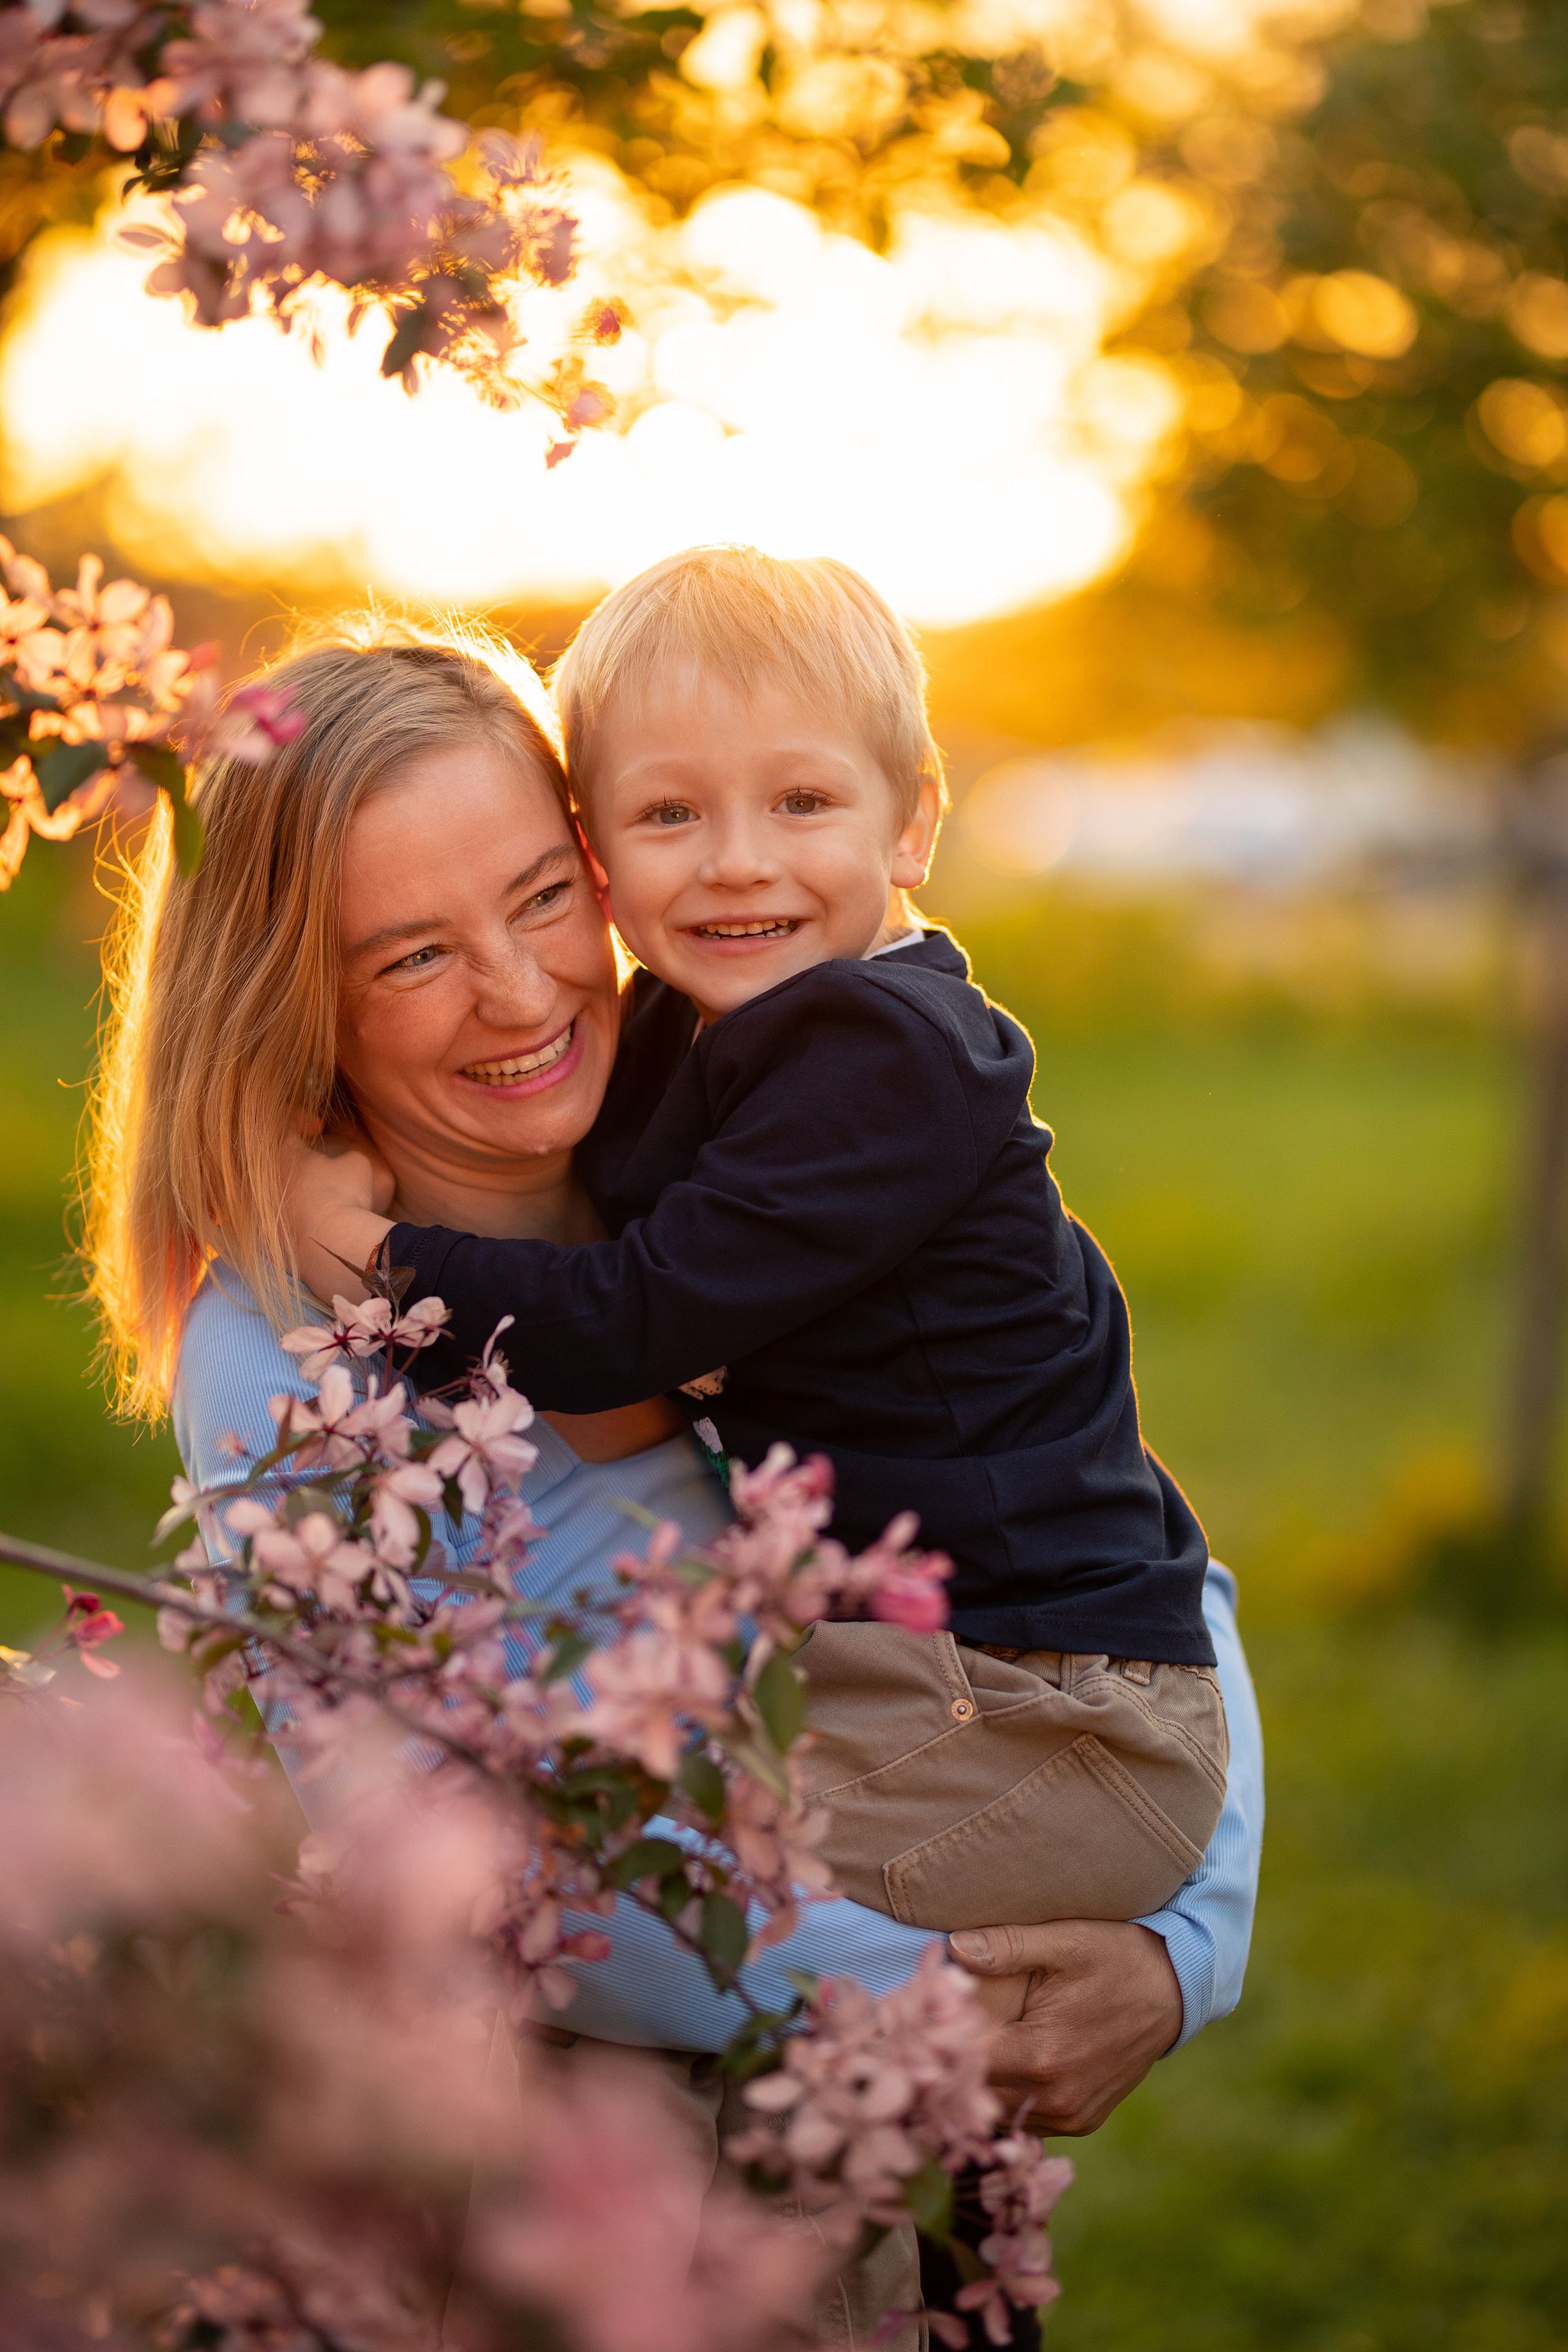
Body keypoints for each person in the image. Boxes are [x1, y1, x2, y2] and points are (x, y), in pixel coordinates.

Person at [83, 617, 1264, 2351]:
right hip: (574, 2200)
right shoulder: (289, 1355)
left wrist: (1183, 1952)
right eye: (411, 955)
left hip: (833, 2143)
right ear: (291, 995)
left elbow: (1128, 1547)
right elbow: (423, 1851)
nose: (521, 992)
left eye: (541, 897)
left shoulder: (754, 1153)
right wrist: (954, 2009)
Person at [284, 547, 1227, 1989]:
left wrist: (372, 1249)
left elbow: (626, 1325)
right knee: (669, 1971)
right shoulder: (700, 1017)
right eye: (669, 813)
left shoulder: (879, 1057)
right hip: (930, 1677)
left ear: (910, 821)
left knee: (639, 1888)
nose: (736, 859)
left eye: (800, 802)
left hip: (1046, 1708)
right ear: (599, 850)